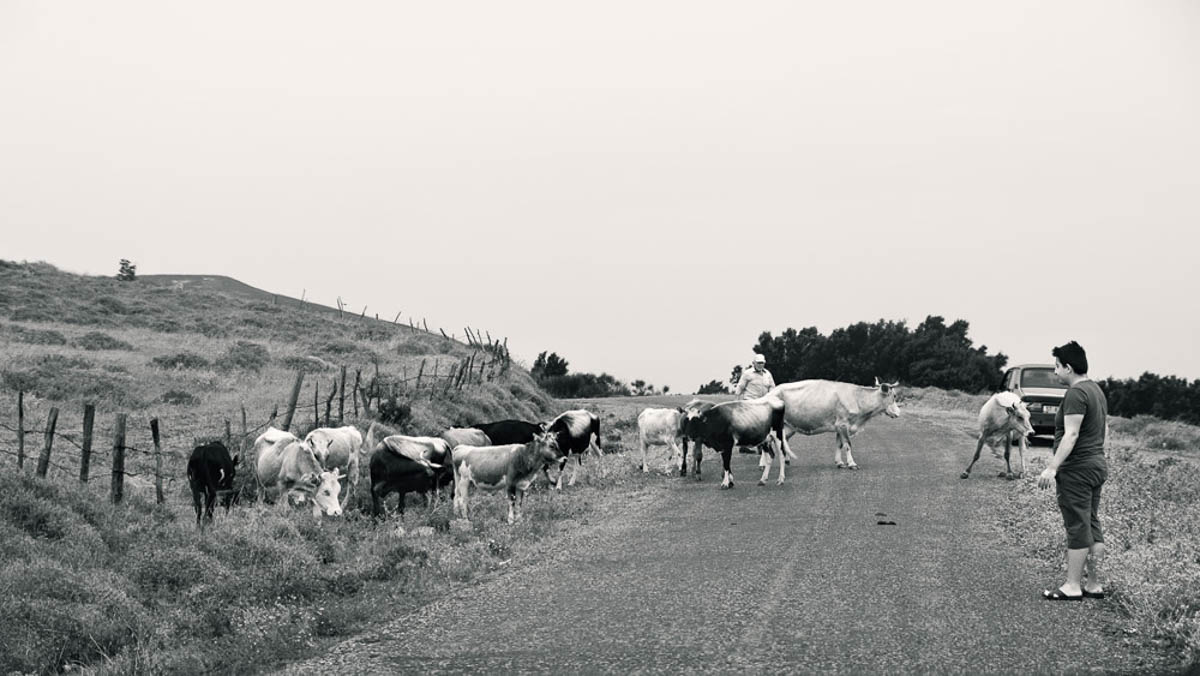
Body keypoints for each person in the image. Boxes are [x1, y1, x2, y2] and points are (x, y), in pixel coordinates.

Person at [1038, 340, 1109, 601]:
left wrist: (1052, 468)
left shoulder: (1076, 394)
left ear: (1068, 368)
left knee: (1077, 525)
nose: (1055, 372)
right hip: (1096, 464)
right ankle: (1093, 584)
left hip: (1077, 468)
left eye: (1057, 367)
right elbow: (1104, 429)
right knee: (1091, 522)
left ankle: (1072, 586)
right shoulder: (1097, 391)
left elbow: (1071, 434)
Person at [735, 354, 777, 456]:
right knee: (748, 425)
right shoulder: (747, 374)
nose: (760, 365)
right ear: (753, 363)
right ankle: (744, 446)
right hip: (750, 402)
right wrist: (737, 400)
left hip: (763, 403)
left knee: (764, 425)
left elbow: (772, 386)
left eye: (762, 363)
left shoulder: (768, 374)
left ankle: (761, 446)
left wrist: (771, 397)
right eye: (758, 363)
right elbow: (740, 387)